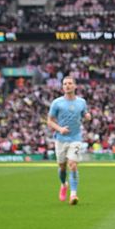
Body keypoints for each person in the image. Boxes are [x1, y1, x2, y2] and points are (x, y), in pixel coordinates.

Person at [47, 76, 91, 205]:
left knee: (72, 164)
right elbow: (49, 121)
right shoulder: (57, 103)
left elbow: (85, 113)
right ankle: (63, 184)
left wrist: (87, 116)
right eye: (65, 84)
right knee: (62, 167)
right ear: (62, 87)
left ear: (75, 86)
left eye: (70, 83)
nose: (67, 85)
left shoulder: (81, 102)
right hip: (61, 139)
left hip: (76, 138)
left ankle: (73, 195)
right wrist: (60, 129)